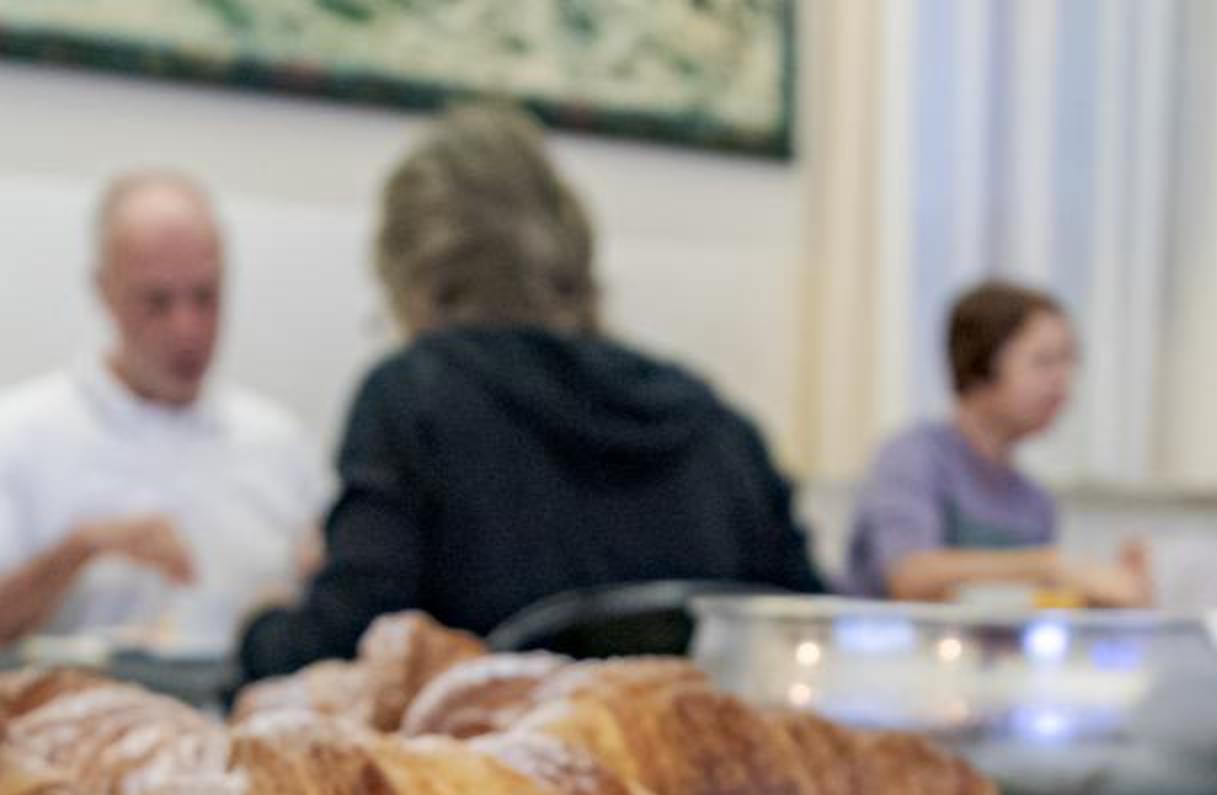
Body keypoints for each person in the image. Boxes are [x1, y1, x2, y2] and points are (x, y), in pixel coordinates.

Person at [234, 104, 823, 682]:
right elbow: (813, 645)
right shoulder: (716, 426)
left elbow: (343, 650)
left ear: (414, 278)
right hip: (697, 746)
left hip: (493, 748)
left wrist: (262, 624)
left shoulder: (413, 399)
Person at [0, 170, 330, 679]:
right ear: (104, 292)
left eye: (206, 297)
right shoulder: (21, 433)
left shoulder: (279, 443)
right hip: (77, 725)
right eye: (157, 302)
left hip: (243, 725)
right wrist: (77, 552)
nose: (187, 328)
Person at [843, 281, 1148, 606]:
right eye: (1044, 361)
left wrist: (1103, 601)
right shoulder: (914, 457)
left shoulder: (1034, 502)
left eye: (1069, 362)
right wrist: (1045, 568)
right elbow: (909, 577)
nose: (1062, 380)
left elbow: (1025, 608)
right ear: (980, 365)